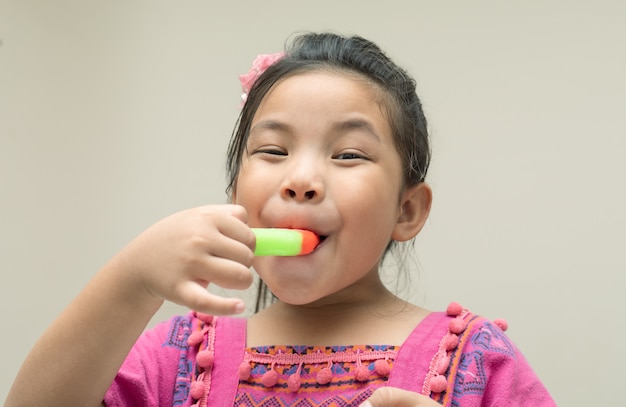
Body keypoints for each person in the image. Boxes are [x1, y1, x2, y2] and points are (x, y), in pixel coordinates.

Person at [5, 32, 555, 407]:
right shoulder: (177, 358)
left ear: (406, 211)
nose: (301, 179)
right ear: (234, 195)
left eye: (348, 155)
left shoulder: (473, 358)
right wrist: (133, 277)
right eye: (272, 151)